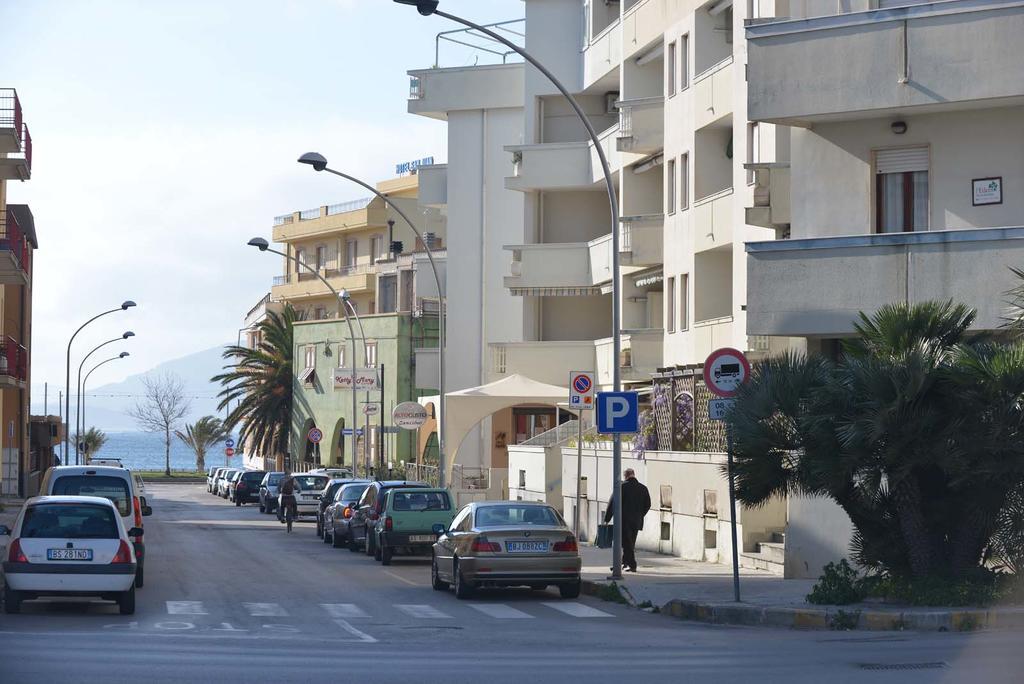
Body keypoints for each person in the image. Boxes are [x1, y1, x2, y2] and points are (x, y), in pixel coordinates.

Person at [603, 468, 651, 573]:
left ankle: (632, 565)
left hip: (624, 521)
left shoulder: (621, 487)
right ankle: (623, 563)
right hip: (637, 521)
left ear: (625, 476)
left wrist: (607, 519)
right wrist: (640, 515)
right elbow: (648, 505)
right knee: (630, 542)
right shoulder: (643, 488)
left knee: (627, 543)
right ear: (633, 475)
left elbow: (612, 503)